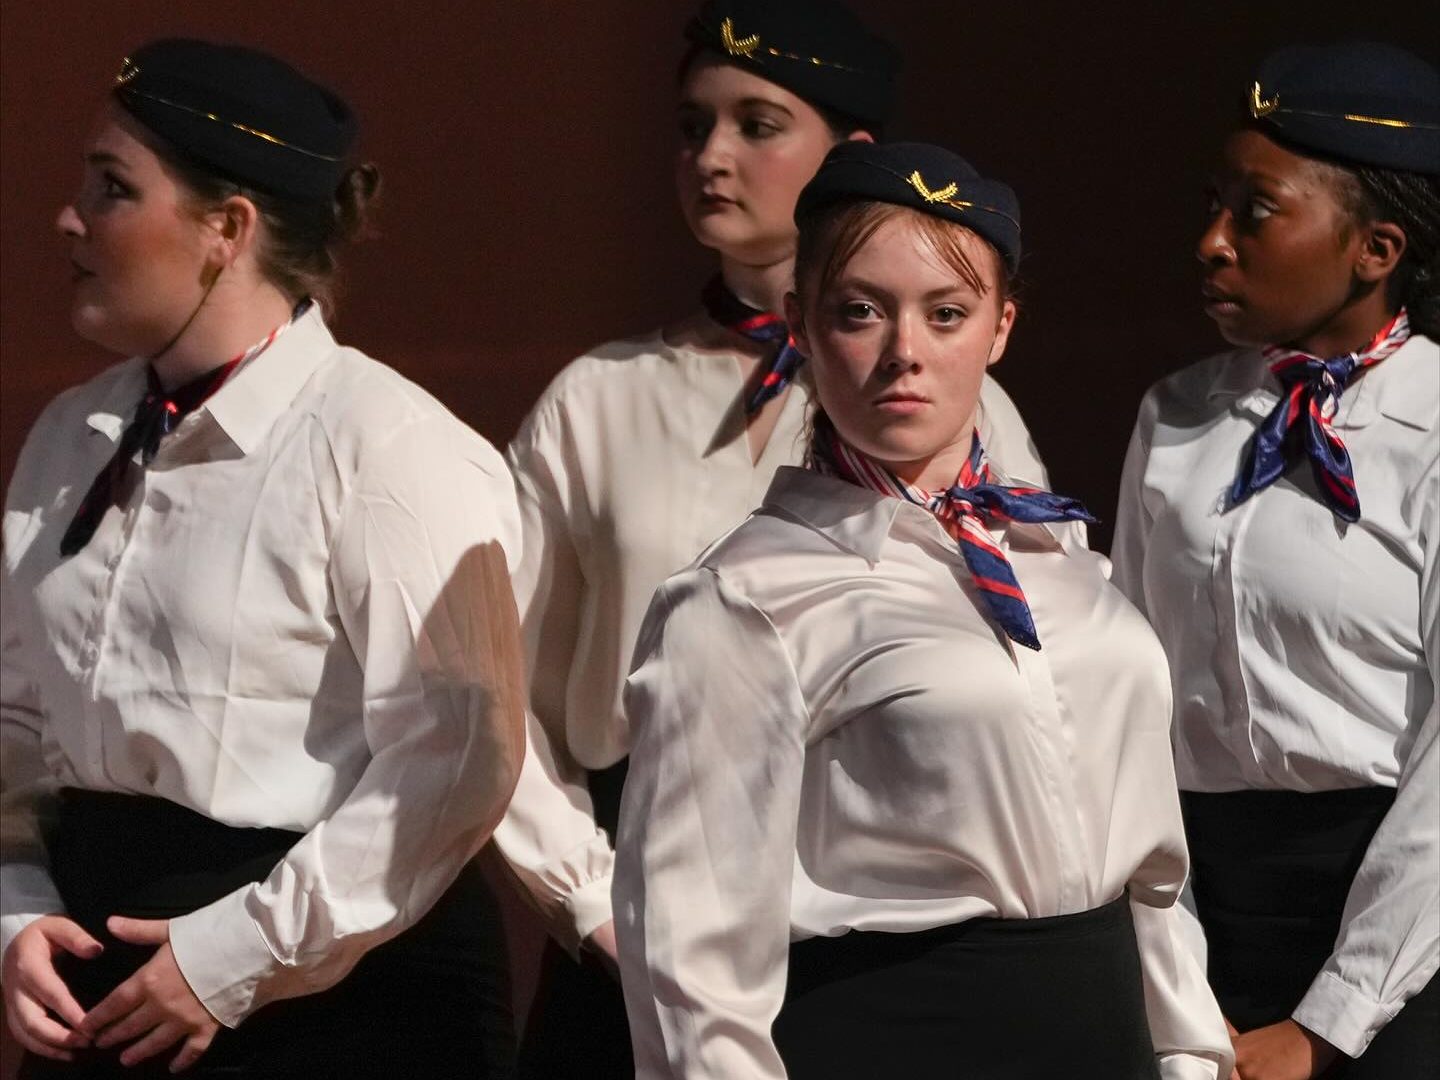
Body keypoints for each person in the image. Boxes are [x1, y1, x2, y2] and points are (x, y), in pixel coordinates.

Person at [489, 2, 1052, 1075]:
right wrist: (590, 897)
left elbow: (1029, 657)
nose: (711, 156)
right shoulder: (599, 400)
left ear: (850, 155)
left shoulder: (960, 403)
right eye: (692, 125)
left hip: (873, 909)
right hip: (638, 889)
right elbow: (497, 685)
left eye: (756, 125)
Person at [614, 140, 1234, 1080]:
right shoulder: (743, 599)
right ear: (801, 323)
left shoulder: (1063, 563)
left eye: (947, 314)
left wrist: (1190, 1056)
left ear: (1001, 327)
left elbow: (1153, 881)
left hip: (1103, 1036)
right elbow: (690, 974)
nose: (905, 352)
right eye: (860, 311)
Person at [0, 39, 527, 1078]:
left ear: (227, 230)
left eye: (113, 187)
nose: (70, 217)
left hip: (336, 994)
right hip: (98, 975)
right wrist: (15, 907)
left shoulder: (386, 445)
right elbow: (15, 715)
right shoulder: (73, 433)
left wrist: (236, 956)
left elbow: (459, 756)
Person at [1112, 42, 1439, 1080]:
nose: (1211, 243)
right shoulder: (1176, 415)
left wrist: (1330, 1021)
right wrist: (1172, 966)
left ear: (1375, 248)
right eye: (1213, 204)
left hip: (1402, 920)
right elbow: (1129, 700)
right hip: (1198, 909)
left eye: (1256, 211)